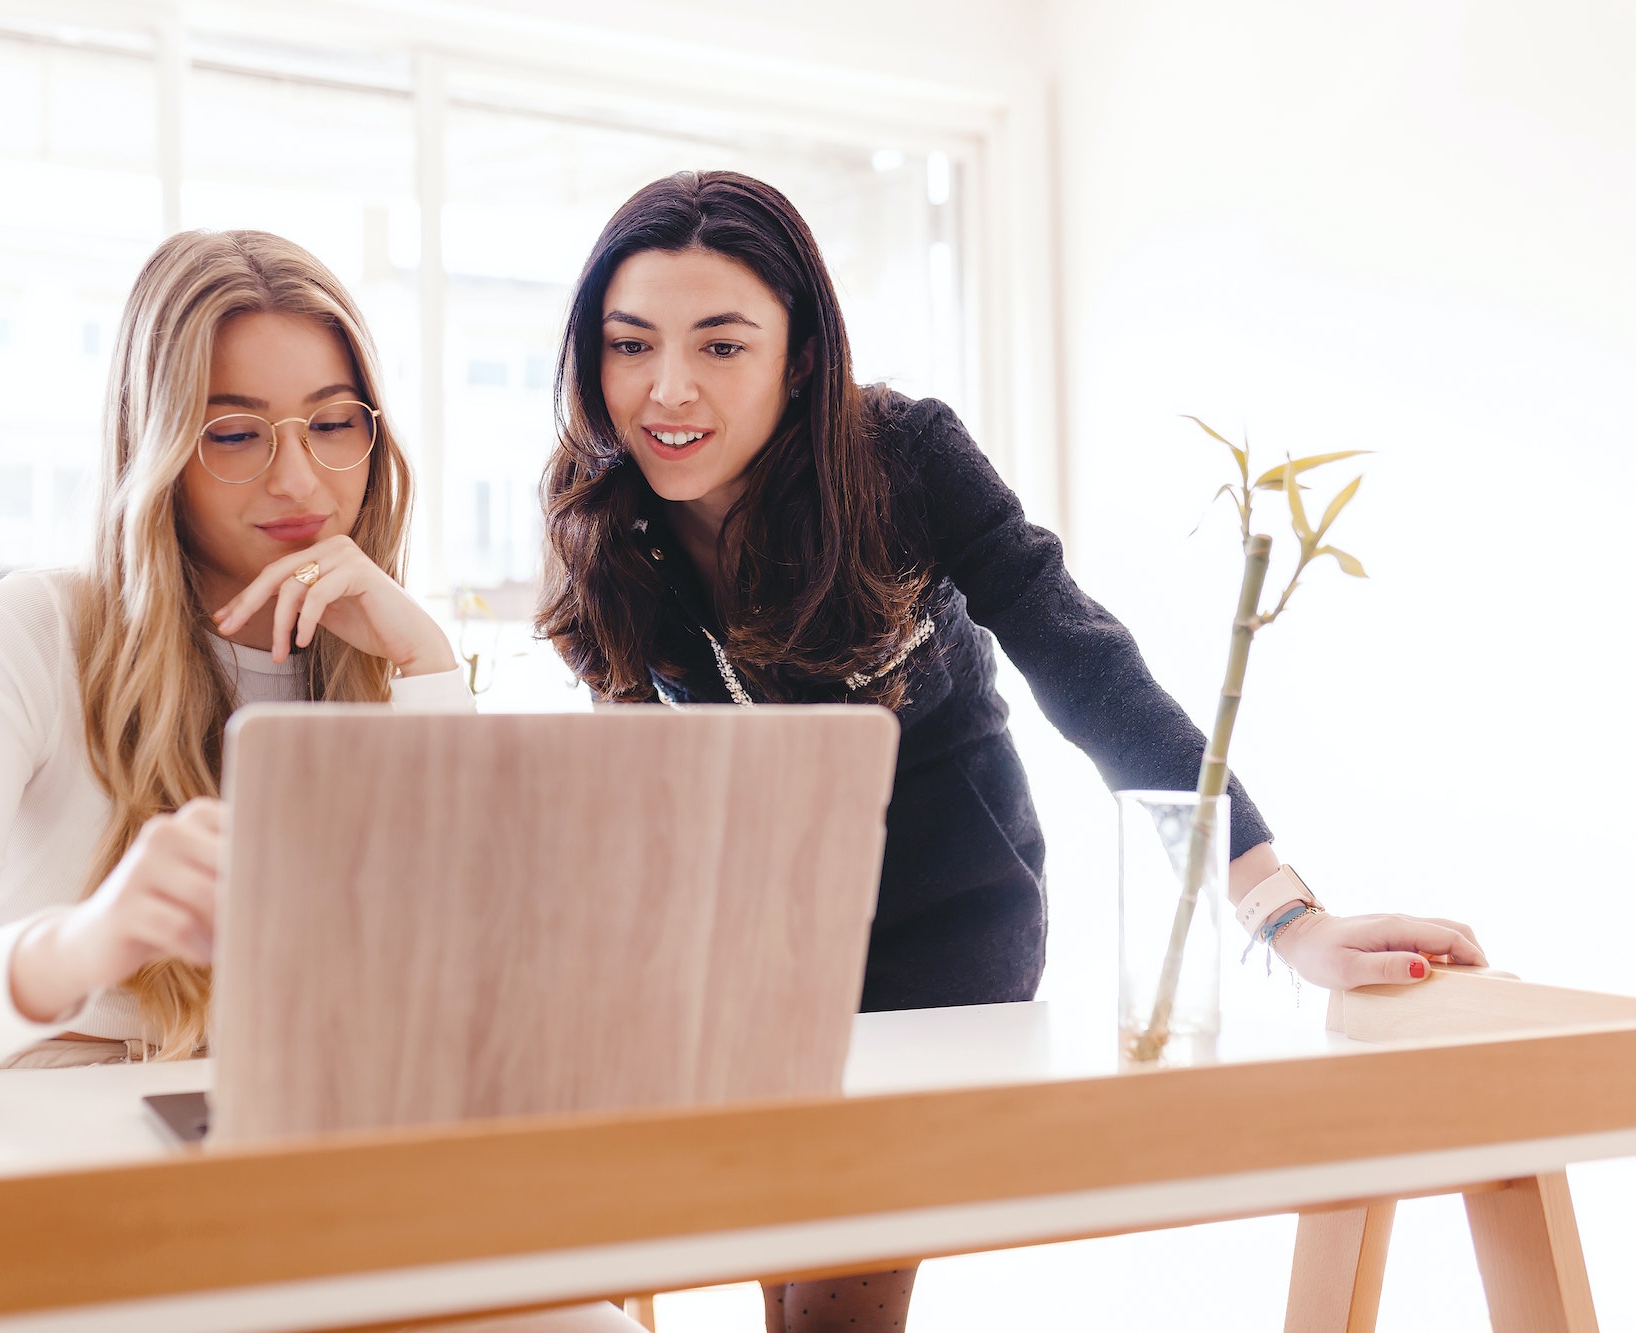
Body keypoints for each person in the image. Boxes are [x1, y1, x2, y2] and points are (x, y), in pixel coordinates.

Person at [535, 171, 1487, 1333]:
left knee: (830, 1290)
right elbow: (626, 775)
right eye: (629, 345)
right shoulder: (601, 517)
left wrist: (1285, 917)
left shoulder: (899, 458)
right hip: (751, 933)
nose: (665, 391)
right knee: (769, 1254)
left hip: (945, 913)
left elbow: (1089, 671)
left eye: (721, 346)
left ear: (799, 356)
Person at [0, 229, 477, 1103]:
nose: (299, 480)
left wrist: (427, 667)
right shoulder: (18, 637)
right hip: (49, 1157)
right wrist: (87, 940)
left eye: (331, 425)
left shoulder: (378, 662)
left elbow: (464, 1000)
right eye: (238, 434)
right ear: (159, 451)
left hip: (293, 1147)